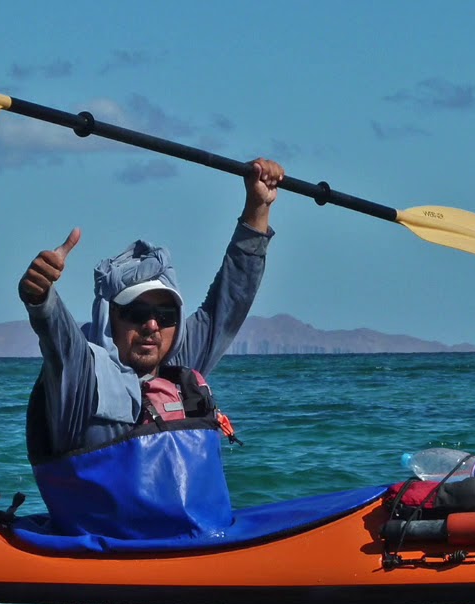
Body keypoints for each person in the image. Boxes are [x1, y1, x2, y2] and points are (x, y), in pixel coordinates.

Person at [19, 157, 285, 540]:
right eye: (137, 312)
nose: (152, 326)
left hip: (199, 542)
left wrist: (257, 207)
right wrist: (40, 295)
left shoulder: (178, 361)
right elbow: (56, 336)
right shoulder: (82, 375)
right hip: (108, 554)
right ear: (110, 317)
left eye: (165, 314)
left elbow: (231, 299)